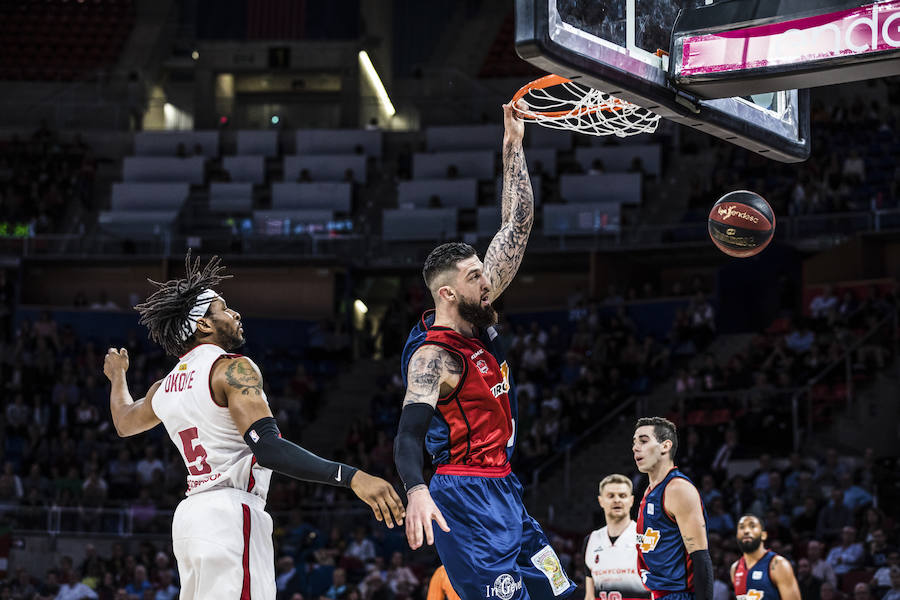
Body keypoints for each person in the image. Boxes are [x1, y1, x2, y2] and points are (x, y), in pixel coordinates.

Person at [104, 253, 404, 600]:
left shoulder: (164, 387)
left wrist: (117, 377)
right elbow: (270, 448)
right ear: (203, 325)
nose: (235, 314)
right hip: (231, 514)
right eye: (224, 308)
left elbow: (124, 422)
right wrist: (352, 476)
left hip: (189, 521)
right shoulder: (231, 369)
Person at [393, 104, 576, 600]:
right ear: (448, 294)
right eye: (476, 277)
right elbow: (408, 434)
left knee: (561, 591)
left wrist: (512, 145)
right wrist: (416, 491)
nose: (487, 280)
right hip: (465, 494)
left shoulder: (479, 310)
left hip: (505, 486)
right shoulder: (435, 358)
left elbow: (517, 227)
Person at [632, 417, 711, 600]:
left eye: (643, 441)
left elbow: (701, 559)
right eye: (634, 442)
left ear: (665, 446)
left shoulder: (678, 489)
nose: (636, 447)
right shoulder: (649, 491)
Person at [583, 474, 649, 600]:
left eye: (622, 496)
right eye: (611, 496)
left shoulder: (646, 538)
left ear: (631, 500)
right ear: (601, 501)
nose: (617, 500)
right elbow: (590, 595)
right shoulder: (591, 540)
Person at [730, 514, 801, 600]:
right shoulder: (735, 568)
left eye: (752, 526)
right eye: (741, 527)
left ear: (764, 535)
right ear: (737, 535)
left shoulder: (778, 564)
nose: (746, 531)